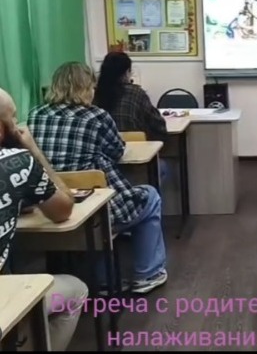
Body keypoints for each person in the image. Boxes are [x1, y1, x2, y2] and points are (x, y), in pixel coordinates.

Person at [27, 62, 168, 294]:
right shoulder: (97, 116)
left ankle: (101, 279)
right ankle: (147, 274)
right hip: (92, 202)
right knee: (149, 196)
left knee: (100, 211)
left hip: (50, 202)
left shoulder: (35, 115)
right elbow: (117, 151)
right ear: (86, 88)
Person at [0, 88, 88, 351]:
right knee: (76, 290)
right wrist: (33, 150)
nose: (17, 125)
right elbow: (63, 209)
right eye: (13, 118)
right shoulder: (16, 162)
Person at [93, 51, 169, 182]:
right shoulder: (136, 93)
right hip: (135, 163)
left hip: (102, 168)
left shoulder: (95, 95)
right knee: (164, 167)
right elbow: (158, 125)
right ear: (126, 72)